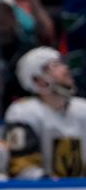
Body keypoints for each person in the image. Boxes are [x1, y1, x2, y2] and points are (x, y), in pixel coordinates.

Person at [5, 47, 86, 179]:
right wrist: (53, 186)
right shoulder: (22, 113)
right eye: (55, 66)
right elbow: (22, 166)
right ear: (38, 80)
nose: (65, 69)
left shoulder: (82, 109)